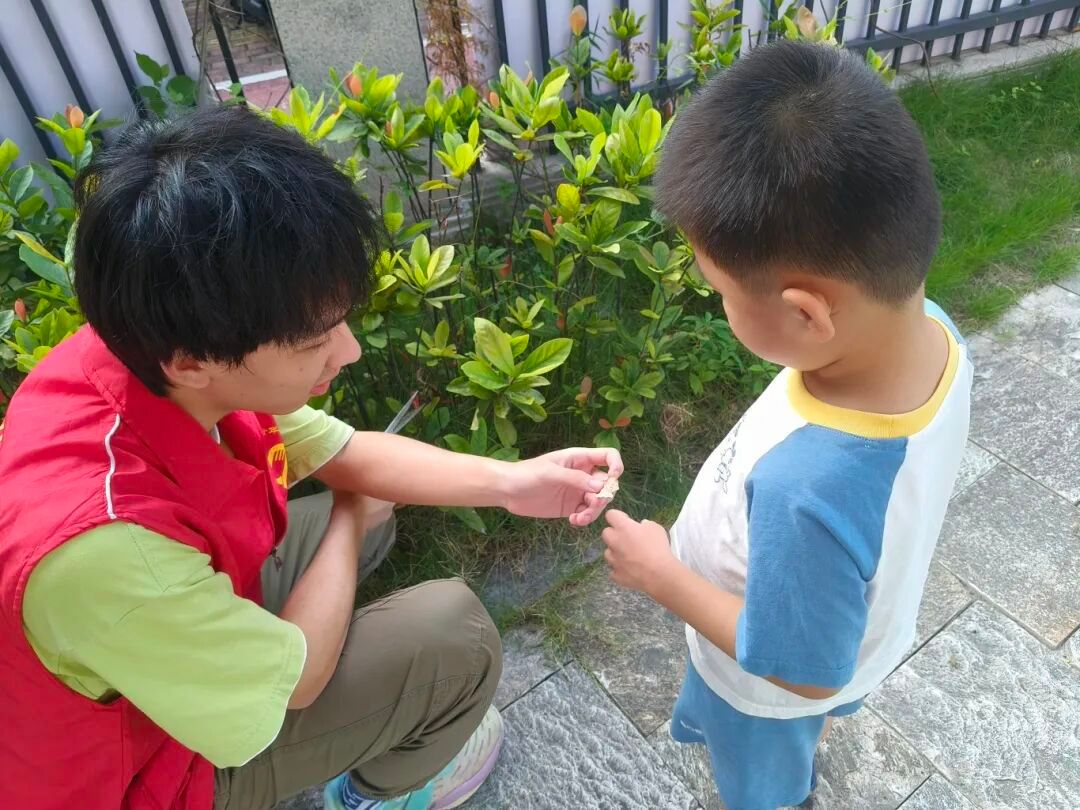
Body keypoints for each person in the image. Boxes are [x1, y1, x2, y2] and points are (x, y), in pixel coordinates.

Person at [0, 105, 621, 810]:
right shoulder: (106, 549)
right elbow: (299, 683)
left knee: (359, 519)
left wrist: (513, 482)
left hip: (151, 648)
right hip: (141, 770)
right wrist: (349, 517)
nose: (348, 351)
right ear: (193, 361)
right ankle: (371, 794)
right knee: (456, 636)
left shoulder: (142, 347)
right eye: (312, 341)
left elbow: (343, 450)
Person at [599, 40, 972, 810]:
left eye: (721, 293)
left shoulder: (809, 490)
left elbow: (803, 672)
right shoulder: (930, 331)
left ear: (807, 313)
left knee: (763, 781)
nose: (719, 305)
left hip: (761, 693)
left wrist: (660, 574)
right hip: (856, 618)